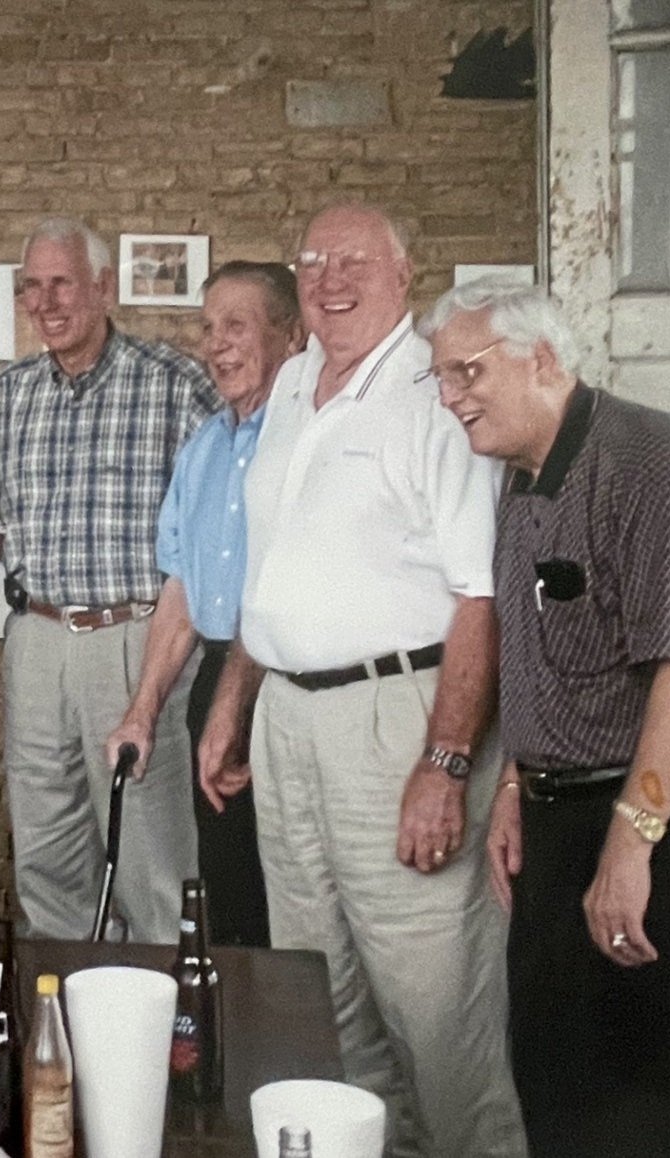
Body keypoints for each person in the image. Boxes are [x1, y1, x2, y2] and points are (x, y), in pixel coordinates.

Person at [198, 205, 526, 1156]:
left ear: (401, 272)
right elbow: (273, 568)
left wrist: (448, 761)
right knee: (322, 1000)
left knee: (435, 1016)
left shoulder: (433, 389)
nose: (327, 277)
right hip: (288, 722)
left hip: (399, 721)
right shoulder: (294, 379)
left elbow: (480, 595)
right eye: (311, 260)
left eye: (352, 260)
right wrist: (231, 704)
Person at [420, 281, 670, 1157]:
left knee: (636, 1102)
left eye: (466, 372)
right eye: (440, 378)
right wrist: (508, 785)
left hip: (642, 819)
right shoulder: (520, 475)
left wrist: (631, 844)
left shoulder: (653, 462)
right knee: (552, 1086)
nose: (450, 396)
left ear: (540, 358)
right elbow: (540, 651)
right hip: (550, 817)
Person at [0, 216, 217, 945]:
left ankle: (169, 1034)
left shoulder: (174, 385)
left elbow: (227, 512)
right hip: (35, 641)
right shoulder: (5, 398)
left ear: (103, 287)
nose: (45, 301)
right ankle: (64, 1031)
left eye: (61, 282)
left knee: (148, 858)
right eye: (31, 286)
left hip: (135, 637)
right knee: (45, 855)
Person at [106, 261, 303, 947]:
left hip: (286, 685)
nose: (216, 344)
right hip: (215, 681)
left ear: (291, 336)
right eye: (208, 327)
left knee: (301, 903)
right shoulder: (203, 447)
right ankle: (242, 1046)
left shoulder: (307, 439)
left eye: (237, 326)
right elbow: (181, 590)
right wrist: (142, 709)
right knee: (231, 897)